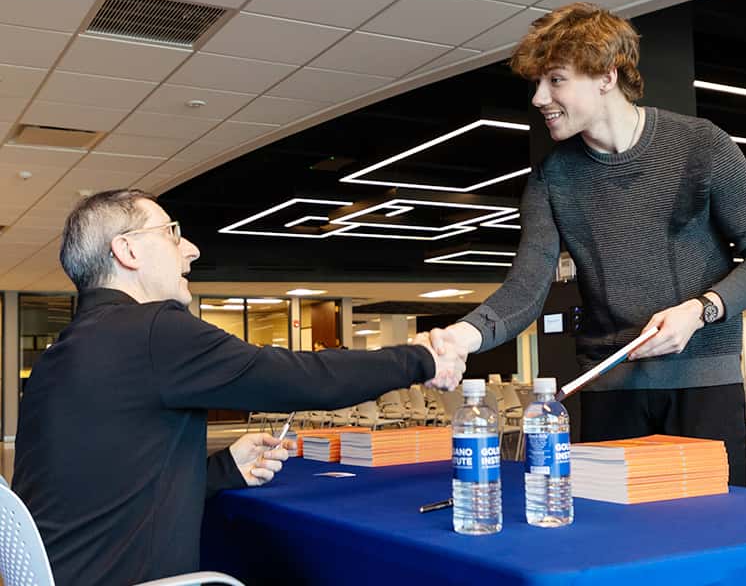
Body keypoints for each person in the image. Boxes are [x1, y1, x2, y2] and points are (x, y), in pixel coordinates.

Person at [12, 189, 463, 586]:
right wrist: (421, 358)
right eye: (171, 233)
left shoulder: (59, 355)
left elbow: (107, 486)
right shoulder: (152, 330)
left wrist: (226, 468)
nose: (190, 249)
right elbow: (303, 379)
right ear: (127, 250)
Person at [428, 3, 746, 486]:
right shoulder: (552, 176)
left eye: (555, 80)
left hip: (703, 384)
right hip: (610, 389)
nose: (539, 97)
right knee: (613, 528)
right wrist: (462, 337)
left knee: (711, 525)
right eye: (536, 83)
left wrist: (700, 310)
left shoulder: (701, 145)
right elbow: (526, 288)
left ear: (606, 75)